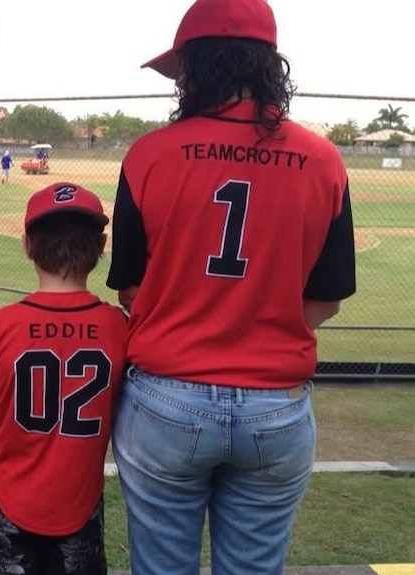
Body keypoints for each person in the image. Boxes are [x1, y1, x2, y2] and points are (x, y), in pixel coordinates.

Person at [105, 1, 357, 574]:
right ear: (266, 67)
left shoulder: (149, 155)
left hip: (166, 399)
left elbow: (131, 294)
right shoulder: (323, 159)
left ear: (198, 66)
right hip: (276, 405)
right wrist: (255, 321)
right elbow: (327, 299)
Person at [0, 182, 130, 575]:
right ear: (101, 247)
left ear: (27, 245)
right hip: (80, 505)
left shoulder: (0, 326)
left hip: (8, 504)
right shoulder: (118, 327)